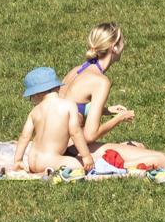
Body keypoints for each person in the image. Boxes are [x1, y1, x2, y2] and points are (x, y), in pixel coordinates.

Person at [11, 22, 135, 175]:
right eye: (122, 41)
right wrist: (120, 118)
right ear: (114, 47)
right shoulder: (100, 81)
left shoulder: (76, 70)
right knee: (162, 159)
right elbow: (89, 134)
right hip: (69, 150)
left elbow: (63, 109)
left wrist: (105, 111)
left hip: (46, 152)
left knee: (136, 146)